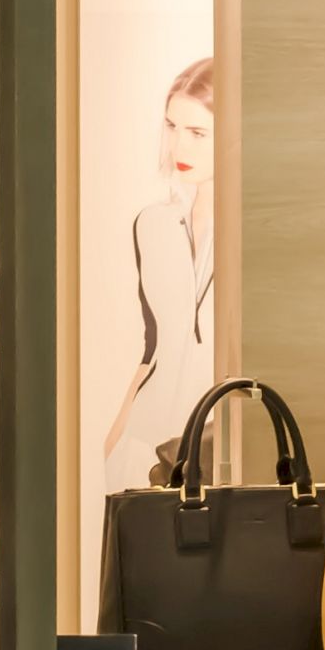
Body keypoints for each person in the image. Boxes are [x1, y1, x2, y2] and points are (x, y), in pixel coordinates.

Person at [103, 57, 214, 492]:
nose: (178, 148)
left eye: (197, 133)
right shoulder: (152, 224)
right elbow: (153, 345)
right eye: (172, 127)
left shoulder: (252, 233)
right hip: (144, 445)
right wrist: (111, 444)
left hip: (216, 446)